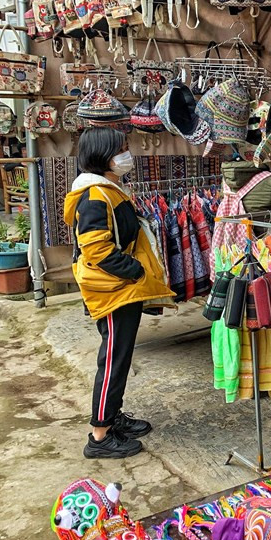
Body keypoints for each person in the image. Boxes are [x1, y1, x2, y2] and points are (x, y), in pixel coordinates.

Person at [64, 128, 174, 459]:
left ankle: (112, 419)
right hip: (112, 290)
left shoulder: (109, 190)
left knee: (120, 357)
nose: (127, 155)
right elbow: (97, 249)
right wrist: (134, 271)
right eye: (121, 149)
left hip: (120, 290)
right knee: (112, 359)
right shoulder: (95, 195)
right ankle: (99, 435)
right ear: (103, 155)